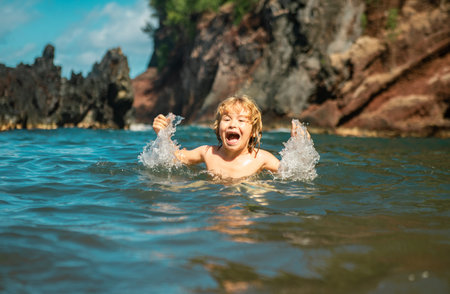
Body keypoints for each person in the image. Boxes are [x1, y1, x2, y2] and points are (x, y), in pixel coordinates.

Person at [152, 95, 310, 179]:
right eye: (226, 120)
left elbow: (292, 172)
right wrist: (162, 134)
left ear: (254, 132)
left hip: (247, 199)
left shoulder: (261, 158)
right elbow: (174, 158)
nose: (233, 125)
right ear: (218, 128)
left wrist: (300, 146)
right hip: (214, 198)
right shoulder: (207, 153)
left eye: (241, 120)